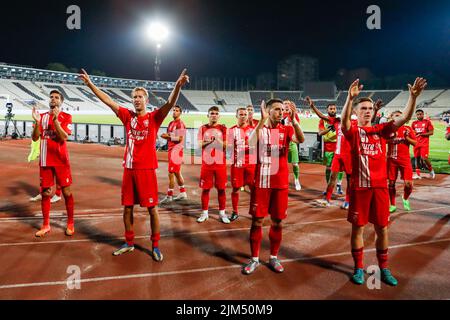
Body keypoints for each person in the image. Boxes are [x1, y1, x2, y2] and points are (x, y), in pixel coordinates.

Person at [79, 68, 189, 261]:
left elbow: (170, 103)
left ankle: (155, 245)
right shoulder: (127, 116)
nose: (137, 99)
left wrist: (177, 86)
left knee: (152, 208)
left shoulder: (154, 118)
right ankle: (129, 243)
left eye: (140, 96)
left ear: (146, 100)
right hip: (128, 169)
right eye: (134, 97)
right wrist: (90, 84)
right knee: (127, 207)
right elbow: (108, 101)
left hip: (147, 170)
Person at [341, 77, 427, 286]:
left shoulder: (382, 130)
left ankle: (384, 268)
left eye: (370, 108)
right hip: (360, 188)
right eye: (363, 108)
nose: (368, 111)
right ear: (356, 112)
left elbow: (404, 118)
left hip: (379, 188)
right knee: (358, 229)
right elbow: (344, 124)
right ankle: (359, 268)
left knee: (382, 229)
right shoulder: (353, 131)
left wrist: (412, 98)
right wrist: (349, 99)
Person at [242, 99, 305, 275]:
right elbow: (250, 142)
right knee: (257, 221)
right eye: (277, 109)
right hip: (261, 183)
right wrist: (261, 121)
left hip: (280, 184)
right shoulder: (261, 130)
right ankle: (254, 259)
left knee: (277, 222)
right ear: (268, 112)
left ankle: (273, 257)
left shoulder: (286, 129)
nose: (280, 112)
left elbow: (300, 139)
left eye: (282, 110)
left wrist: (293, 120)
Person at [31, 90, 75, 237]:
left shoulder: (66, 117)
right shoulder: (42, 117)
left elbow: (64, 137)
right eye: (51, 97)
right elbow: (35, 137)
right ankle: (46, 225)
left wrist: (56, 120)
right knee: (45, 193)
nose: (53, 99)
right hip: (45, 160)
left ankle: (70, 223)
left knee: (66, 192)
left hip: (61, 161)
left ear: (61, 102)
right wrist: (37, 123)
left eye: (56, 97)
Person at [306, 97, 352, 209]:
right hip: (337, 154)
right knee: (332, 177)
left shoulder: (353, 123)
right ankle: (327, 198)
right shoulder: (336, 121)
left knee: (350, 179)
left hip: (348, 156)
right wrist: (312, 106)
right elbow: (322, 116)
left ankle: (348, 200)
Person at [197, 106, 229, 224]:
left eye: (216, 113)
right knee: (205, 189)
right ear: (208, 115)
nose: (214, 115)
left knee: (221, 189)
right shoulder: (203, 128)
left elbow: (226, 146)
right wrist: (210, 141)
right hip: (207, 164)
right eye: (212, 113)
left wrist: (217, 140)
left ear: (219, 116)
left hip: (220, 164)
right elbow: (200, 145)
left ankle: (222, 213)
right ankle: (204, 213)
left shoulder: (223, 128)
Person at [307, 99, 344, 196]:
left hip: (338, 146)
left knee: (340, 168)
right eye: (330, 109)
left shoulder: (339, 120)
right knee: (328, 168)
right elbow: (320, 133)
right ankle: (329, 186)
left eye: (334, 109)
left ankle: (339, 185)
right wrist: (329, 129)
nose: (332, 110)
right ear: (327, 110)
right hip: (328, 147)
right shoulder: (323, 120)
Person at [227, 107, 256, 221]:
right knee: (235, 188)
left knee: (253, 188)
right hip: (237, 164)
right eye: (241, 114)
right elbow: (229, 147)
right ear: (236, 116)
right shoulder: (232, 130)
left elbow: (257, 146)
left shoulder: (253, 130)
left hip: (250, 164)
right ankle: (235, 212)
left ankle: (254, 211)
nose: (243, 116)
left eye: (245, 114)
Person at [386, 111, 417, 213]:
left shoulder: (407, 129)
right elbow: (382, 141)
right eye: (396, 116)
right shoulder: (388, 130)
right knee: (391, 183)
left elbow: (415, 143)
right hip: (391, 160)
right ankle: (393, 204)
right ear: (392, 117)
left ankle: (405, 198)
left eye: (400, 116)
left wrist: (407, 138)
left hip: (405, 160)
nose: (399, 117)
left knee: (408, 184)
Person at [160, 105, 187, 204]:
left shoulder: (180, 124)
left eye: (177, 110)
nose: (174, 112)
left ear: (180, 113)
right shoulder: (171, 123)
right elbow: (170, 136)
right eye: (173, 110)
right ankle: (183, 193)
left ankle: (169, 195)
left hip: (176, 151)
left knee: (171, 173)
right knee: (176, 172)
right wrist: (166, 136)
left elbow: (179, 138)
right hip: (171, 149)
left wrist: (167, 136)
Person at [282, 100, 302, 191]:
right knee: (280, 164)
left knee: (295, 163)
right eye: (285, 103)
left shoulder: (294, 115)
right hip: (281, 143)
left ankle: (296, 179)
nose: (286, 105)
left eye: (288, 104)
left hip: (292, 142)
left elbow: (297, 126)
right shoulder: (279, 115)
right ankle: (282, 180)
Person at [412, 109, 435, 179]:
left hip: (424, 143)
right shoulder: (414, 123)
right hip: (416, 143)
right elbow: (413, 132)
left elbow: (431, 132)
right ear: (416, 115)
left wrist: (421, 134)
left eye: (420, 114)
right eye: (418, 114)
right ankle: (418, 174)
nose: (419, 115)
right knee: (417, 158)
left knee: (424, 158)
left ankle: (431, 170)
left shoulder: (427, 122)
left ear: (423, 114)